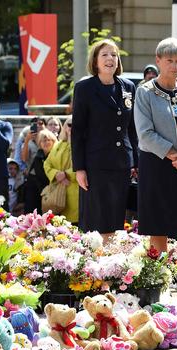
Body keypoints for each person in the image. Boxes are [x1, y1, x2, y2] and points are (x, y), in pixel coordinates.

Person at [134, 38, 177, 305]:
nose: (174, 66)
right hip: (157, 165)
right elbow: (145, 134)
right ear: (158, 60)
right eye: (169, 60)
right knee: (159, 227)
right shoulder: (145, 92)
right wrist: (174, 155)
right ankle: (161, 282)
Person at [71, 39, 138, 239]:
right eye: (105, 55)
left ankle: (113, 265)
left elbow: (132, 128)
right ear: (95, 61)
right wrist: (79, 168)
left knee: (117, 218)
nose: (110, 59)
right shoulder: (85, 88)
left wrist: (136, 161)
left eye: (114, 54)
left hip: (121, 164)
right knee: (96, 220)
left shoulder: (128, 87)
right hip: (95, 165)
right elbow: (78, 131)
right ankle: (94, 266)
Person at [43, 119, 78, 223]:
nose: (71, 127)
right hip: (57, 192)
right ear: (64, 127)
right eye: (69, 125)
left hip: (75, 191)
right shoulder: (58, 144)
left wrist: (66, 174)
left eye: (75, 125)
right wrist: (56, 174)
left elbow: (84, 165)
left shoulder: (85, 144)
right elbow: (47, 164)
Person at [24, 129, 57, 213]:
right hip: (36, 193)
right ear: (39, 143)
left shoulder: (57, 155)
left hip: (53, 193)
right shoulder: (38, 156)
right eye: (43, 141)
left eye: (48, 140)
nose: (46, 142)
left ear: (53, 141)